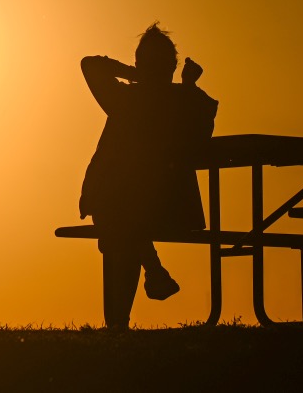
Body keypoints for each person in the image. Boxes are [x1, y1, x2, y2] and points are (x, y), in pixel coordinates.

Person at [79, 23, 218, 330]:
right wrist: (156, 81)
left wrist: (185, 88)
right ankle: (151, 272)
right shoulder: (133, 98)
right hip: (132, 206)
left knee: (119, 222)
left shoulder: (173, 100)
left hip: (159, 206)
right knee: (121, 221)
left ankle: (136, 297)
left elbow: (200, 132)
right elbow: (90, 65)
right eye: (147, 64)